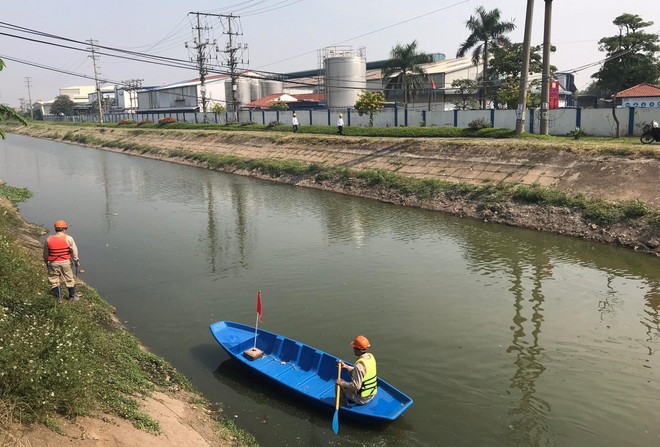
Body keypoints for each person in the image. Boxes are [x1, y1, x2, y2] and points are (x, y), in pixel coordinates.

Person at [43, 219, 80, 301]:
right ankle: (71, 297)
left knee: (54, 280)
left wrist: (46, 262)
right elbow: (74, 251)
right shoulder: (68, 238)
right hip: (65, 262)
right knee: (69, 278)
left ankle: (58, 298)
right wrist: (76, 261)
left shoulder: (48, 239)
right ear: (64, 229)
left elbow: (45, 253)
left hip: (53, 262)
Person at [336, 335, 377, 405]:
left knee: (337, 384)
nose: (353, 350)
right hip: (372, 394)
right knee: (349, 380)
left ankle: (342, 405)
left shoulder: (359, 365)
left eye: (354, 348)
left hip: (362, 399)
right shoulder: (370, 357)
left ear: (358, 349)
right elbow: (362, 372)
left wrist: (341, 383)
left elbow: (356, 386)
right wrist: (346, 366)